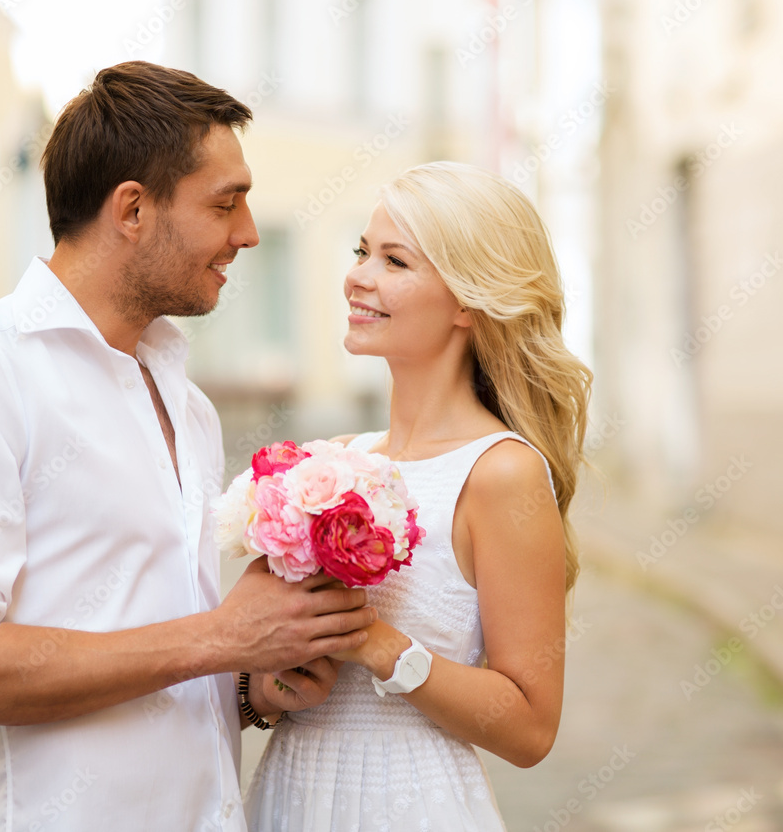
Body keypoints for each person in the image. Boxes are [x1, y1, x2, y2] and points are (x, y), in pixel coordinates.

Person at [0, 61, 376, 832]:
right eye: (225, 203)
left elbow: (164, 650)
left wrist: (251, 687)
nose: (246, 233)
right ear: (132, 210)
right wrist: (221, 637)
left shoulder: (187, 400)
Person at [243, 161, 593, 831]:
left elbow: (530, 727)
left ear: (467, 300)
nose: (359, 276)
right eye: (361, 252)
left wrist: (378, 645)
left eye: (394, 260)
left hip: (409, 805)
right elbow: (275, 671)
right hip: (291, 794)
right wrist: (274, 682)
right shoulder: (330, 462)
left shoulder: (500, 473)